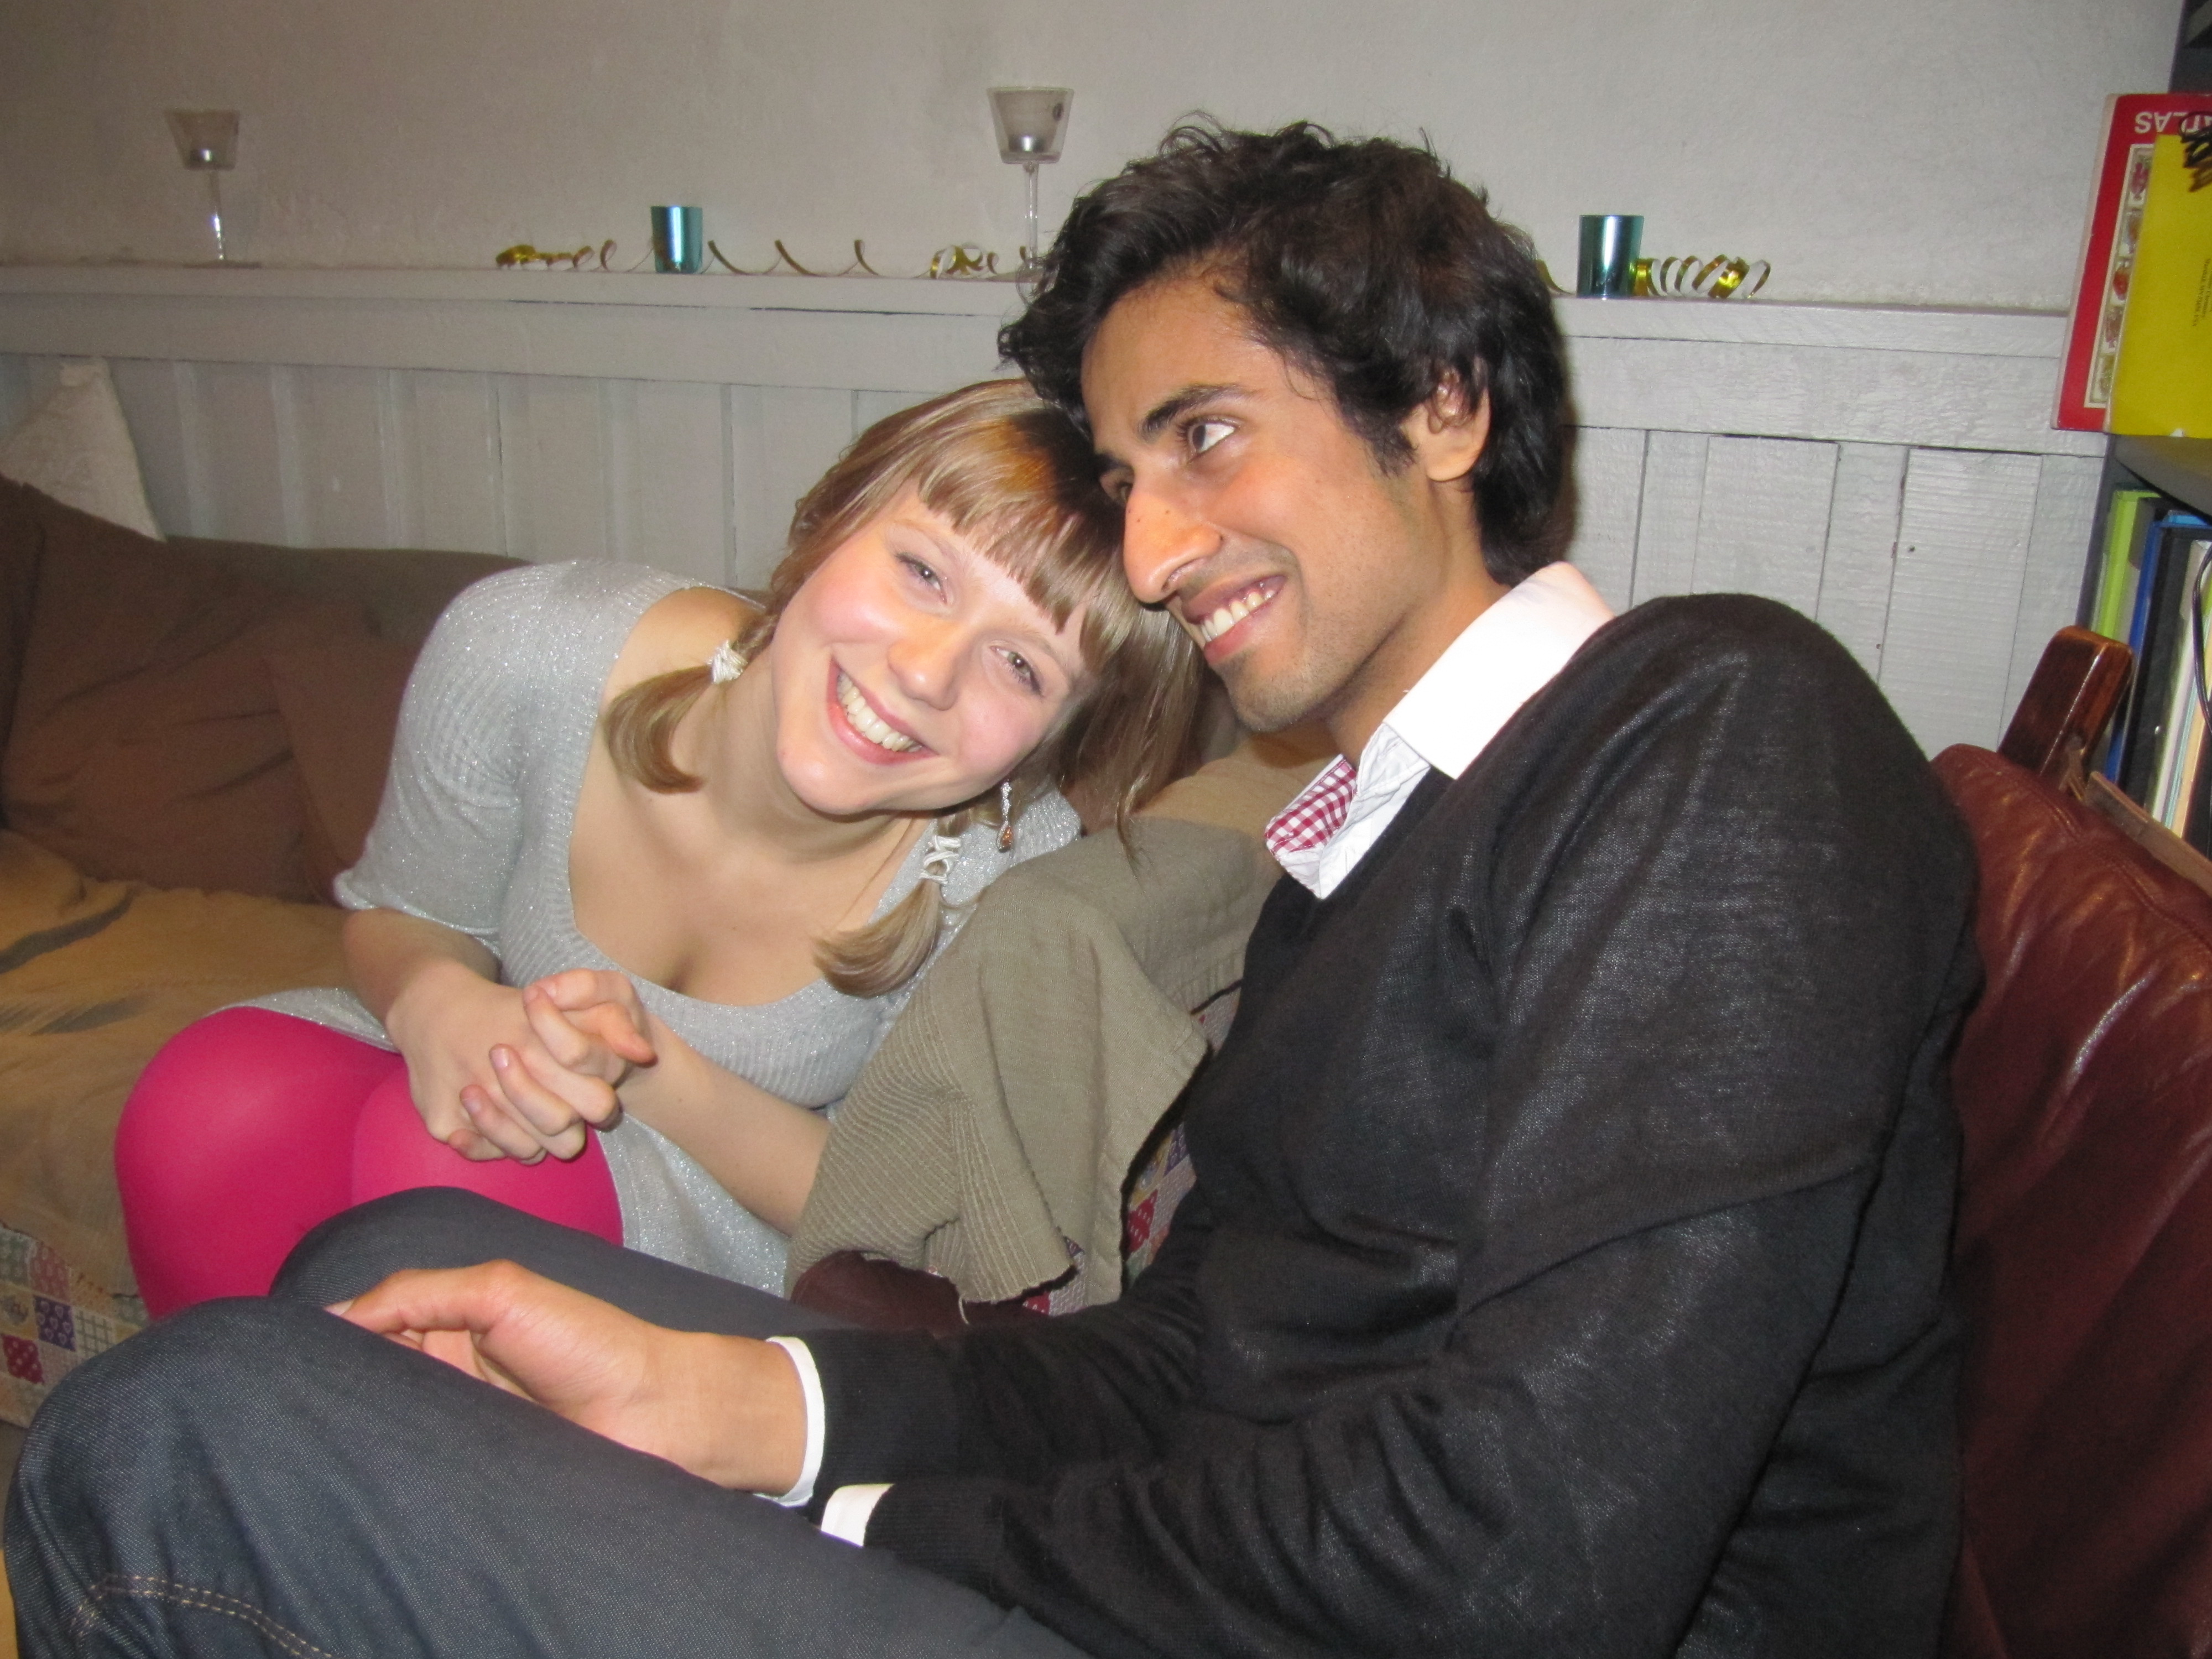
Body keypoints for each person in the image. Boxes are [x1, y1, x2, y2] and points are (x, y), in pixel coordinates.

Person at [8, 123, 1979, 1658]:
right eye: (1129, 476)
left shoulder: (1717, 731)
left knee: (172, 1433)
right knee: (392, 1272)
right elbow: (1195, 1359)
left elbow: (1532, 1557)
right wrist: (749, 1406)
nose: (1162, 546)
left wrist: (865, 1515)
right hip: (1252, 1567)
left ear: (1445, 403)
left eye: (1207, 436)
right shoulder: (1366, 850)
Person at [112, 378, 1201, 1315]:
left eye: (1021, 667)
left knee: (459, 1165)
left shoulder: (1012, 884)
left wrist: (644, 1067)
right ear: (830, 523)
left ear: (1055, 745)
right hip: (484, 1117)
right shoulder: (528, 648)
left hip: (740, 1254)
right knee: (212, 1109)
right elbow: (408, 913)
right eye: (922, 572)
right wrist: (436, 999)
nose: (924, 671)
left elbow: (923, 1222)